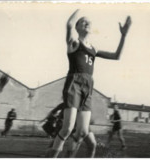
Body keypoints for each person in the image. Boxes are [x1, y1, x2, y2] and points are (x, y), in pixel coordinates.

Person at [46, 9, 131, 158]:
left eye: (88, 22)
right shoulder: (74, 43)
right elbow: (68, 24)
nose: (86, 23)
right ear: (78, 27)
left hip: (88, 86)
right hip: (74, 83)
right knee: (67, 128)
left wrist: (123, 35)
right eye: (83, 21)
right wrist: (78, 10)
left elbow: (117, 56)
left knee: (83, 131)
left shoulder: (94, 49)